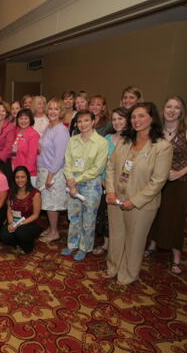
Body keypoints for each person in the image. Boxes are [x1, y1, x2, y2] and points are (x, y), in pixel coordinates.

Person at [104, 102, 173, 285]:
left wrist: (134, 201)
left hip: (142, 204)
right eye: (133, 117)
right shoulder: (125, 141)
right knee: (116, 235)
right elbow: (110, 166)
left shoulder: (162, 147)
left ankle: (128, 274)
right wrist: (110, 190)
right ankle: (113, 267)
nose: (136, 120)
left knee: (135, 239)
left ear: (152, 118)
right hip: (116, 198)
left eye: (141, 116)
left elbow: (158, 181)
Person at [145, 96, 187, 274]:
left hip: (178, 182)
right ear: (163, 109)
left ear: (181, 111)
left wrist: (179, 173)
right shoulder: (157, 130)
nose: (172, 110)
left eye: (176, 108)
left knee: (175, 218)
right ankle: (153, 244)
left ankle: (176, 257)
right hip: (156, 181)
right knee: (155, 214)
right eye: (169, 106)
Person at [62, 110, 109, 261]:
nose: (83, 124)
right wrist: (70, 179)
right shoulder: (73, 140)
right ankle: (72, 244)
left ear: (93, 121)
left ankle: (84, 247)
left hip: (90, 184)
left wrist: (76, 180)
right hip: (72, 183)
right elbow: (67, 162)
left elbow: (98, 168)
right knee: (74, 216)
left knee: (88, 218)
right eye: (80, 121)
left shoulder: (101, 142)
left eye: (86, 120)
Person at [93, 107, 128, 255]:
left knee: (121, 218)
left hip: (124, 186)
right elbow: (100, 162)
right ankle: (106, 244)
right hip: (105, 184)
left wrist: (122, 185)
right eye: (114, 119)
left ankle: (120, 246)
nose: (117, 122)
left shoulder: (132, 140)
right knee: (105, 216)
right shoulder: (107, 139)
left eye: (120, 118)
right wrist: (106, 184)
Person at [38, 98, 70, 243]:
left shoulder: (61, 130)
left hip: (54, 171)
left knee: (52, 204)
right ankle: (51, 228)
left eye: (56, 109)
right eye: (50, 108)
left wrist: (50, 176)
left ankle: (55, 232)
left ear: (61, 111)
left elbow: (59, 157)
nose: (52, 111)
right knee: (47, 202)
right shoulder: (49, 127)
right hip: (44, 169)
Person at [0, 166, 41, 253]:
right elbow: (9, 209)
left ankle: (28, 247)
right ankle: (18, 243)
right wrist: (11, 223)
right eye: (17, 177)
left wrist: (19, 224)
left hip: (30, 222)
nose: (20, 180)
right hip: (14, 221)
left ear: (27, 178)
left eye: (23, 177)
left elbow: (35, 215)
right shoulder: (11, 191)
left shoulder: (35, 193)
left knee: (20, 232)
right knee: (4, 235)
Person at [11, 109, 40, 185]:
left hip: (27, 174)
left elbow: (32, 158)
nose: (23, 121)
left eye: (26, 118)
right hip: (16, 170)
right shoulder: (17, 131)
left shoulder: (33, 134)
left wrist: (24, 174)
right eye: (21, 118)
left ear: (30, 119)